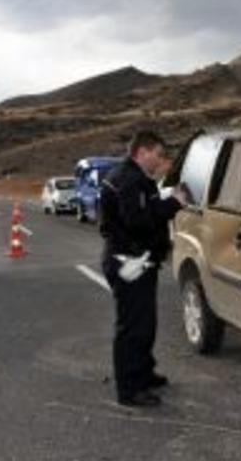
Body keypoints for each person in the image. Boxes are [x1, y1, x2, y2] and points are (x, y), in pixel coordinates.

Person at [99, 130, 188, 407]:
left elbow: (139, 213)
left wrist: (164, 201)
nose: (160, 161)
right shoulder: (130, 180)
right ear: (142, 152)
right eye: (158, 155)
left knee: (145, 323)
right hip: (129, 263)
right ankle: (130, 389)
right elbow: (137, 222)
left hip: (136, 261)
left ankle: (144, 374)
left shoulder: (132, 177)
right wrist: (174, 204)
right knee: (133, 327)